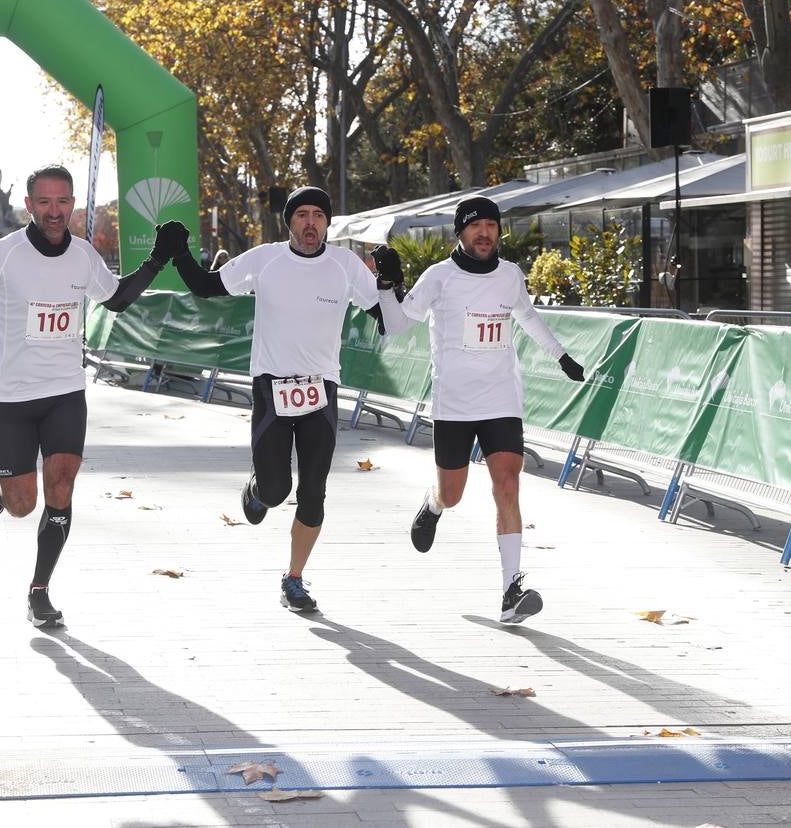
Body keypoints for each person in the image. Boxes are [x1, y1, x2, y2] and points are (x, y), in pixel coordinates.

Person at [0, 164, 185, 629]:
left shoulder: (85, 256)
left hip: (66, 392)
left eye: (62, 201)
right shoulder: (4, 253)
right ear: (28, 205)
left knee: (63, 488)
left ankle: (40, 590)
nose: (54, 212)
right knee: (21, 506)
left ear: (72, 204)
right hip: (12, 397)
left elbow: (117, 300)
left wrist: (157, 258)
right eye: (44, 202)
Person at [163, 186, 400, 614]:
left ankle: (294, 579)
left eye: (319, 215)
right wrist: (180, 254)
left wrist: (389, 285)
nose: (311, 223)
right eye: (302, 215)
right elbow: (205, 286)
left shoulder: (345, 265)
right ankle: (258, 490)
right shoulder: (265, 258)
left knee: (314, 492)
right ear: (289, 222)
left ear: (328, 223)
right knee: (276, 490)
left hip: (321, 389)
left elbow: (389, 320)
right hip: (272, 388)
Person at [372, 196, 586, 624]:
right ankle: (433, 506)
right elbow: (394, 325)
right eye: (476, 226)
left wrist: (561, 356)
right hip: (453, 404)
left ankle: (511, 591)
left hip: (501, 400)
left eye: (492, 225)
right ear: (461, 232)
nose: (485, 233)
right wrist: (385, 285)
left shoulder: (510, 276)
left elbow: (528, 317)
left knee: (507, 484)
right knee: (452, 493)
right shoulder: (439, 277)